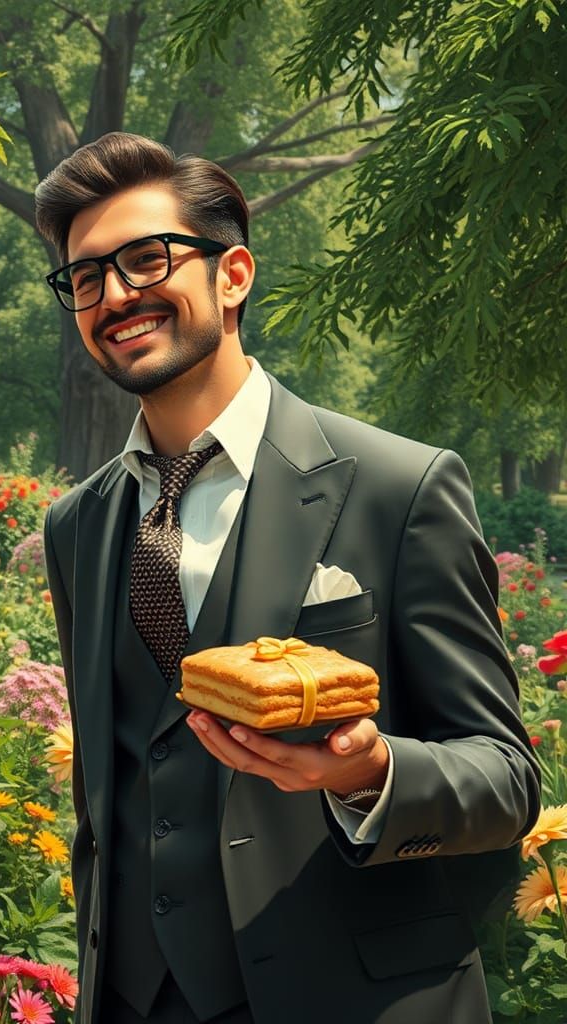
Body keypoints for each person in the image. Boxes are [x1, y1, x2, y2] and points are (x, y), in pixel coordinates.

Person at [36, 132, 539, 1024]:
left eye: (146, 259)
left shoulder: (399, 486)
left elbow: (504, 781)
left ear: (232, 275)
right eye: (85, 277)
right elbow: (105, 799)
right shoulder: (77, 522)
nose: (114, 295)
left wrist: (370, 772)